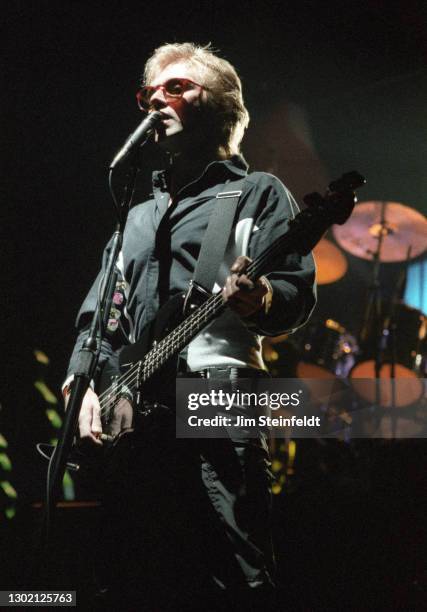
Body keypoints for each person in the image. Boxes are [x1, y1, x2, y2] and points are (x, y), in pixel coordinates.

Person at [64, 43, 316, 611]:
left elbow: (295, 296)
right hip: (134, 410)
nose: (157, 98)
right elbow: (100, 315)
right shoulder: (137, 214)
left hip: (221, 390)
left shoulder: (256, 193)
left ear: (222, 105)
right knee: (138, 577)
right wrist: (81, 385)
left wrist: (260, 299)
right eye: (148, 92)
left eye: (177, 87)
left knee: (235, 571)